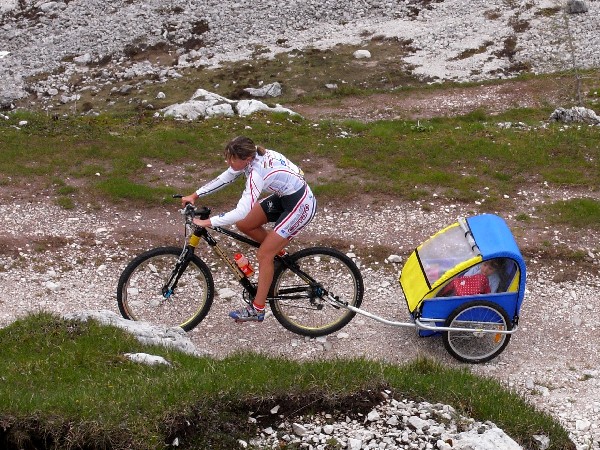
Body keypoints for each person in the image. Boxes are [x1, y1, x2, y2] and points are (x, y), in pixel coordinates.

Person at [181, 136, 317, 322]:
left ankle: (257, 309)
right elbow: (226, 177)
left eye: (231, 159)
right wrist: (195, 195)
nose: (228, 162)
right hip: (286, 195)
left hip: (300, 205)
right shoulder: (252, 157)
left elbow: (240, 211)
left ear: (246, 159)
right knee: (245, 224)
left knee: (264, 254)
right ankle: (279, 254)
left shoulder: (256, 174)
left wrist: (208, 222)